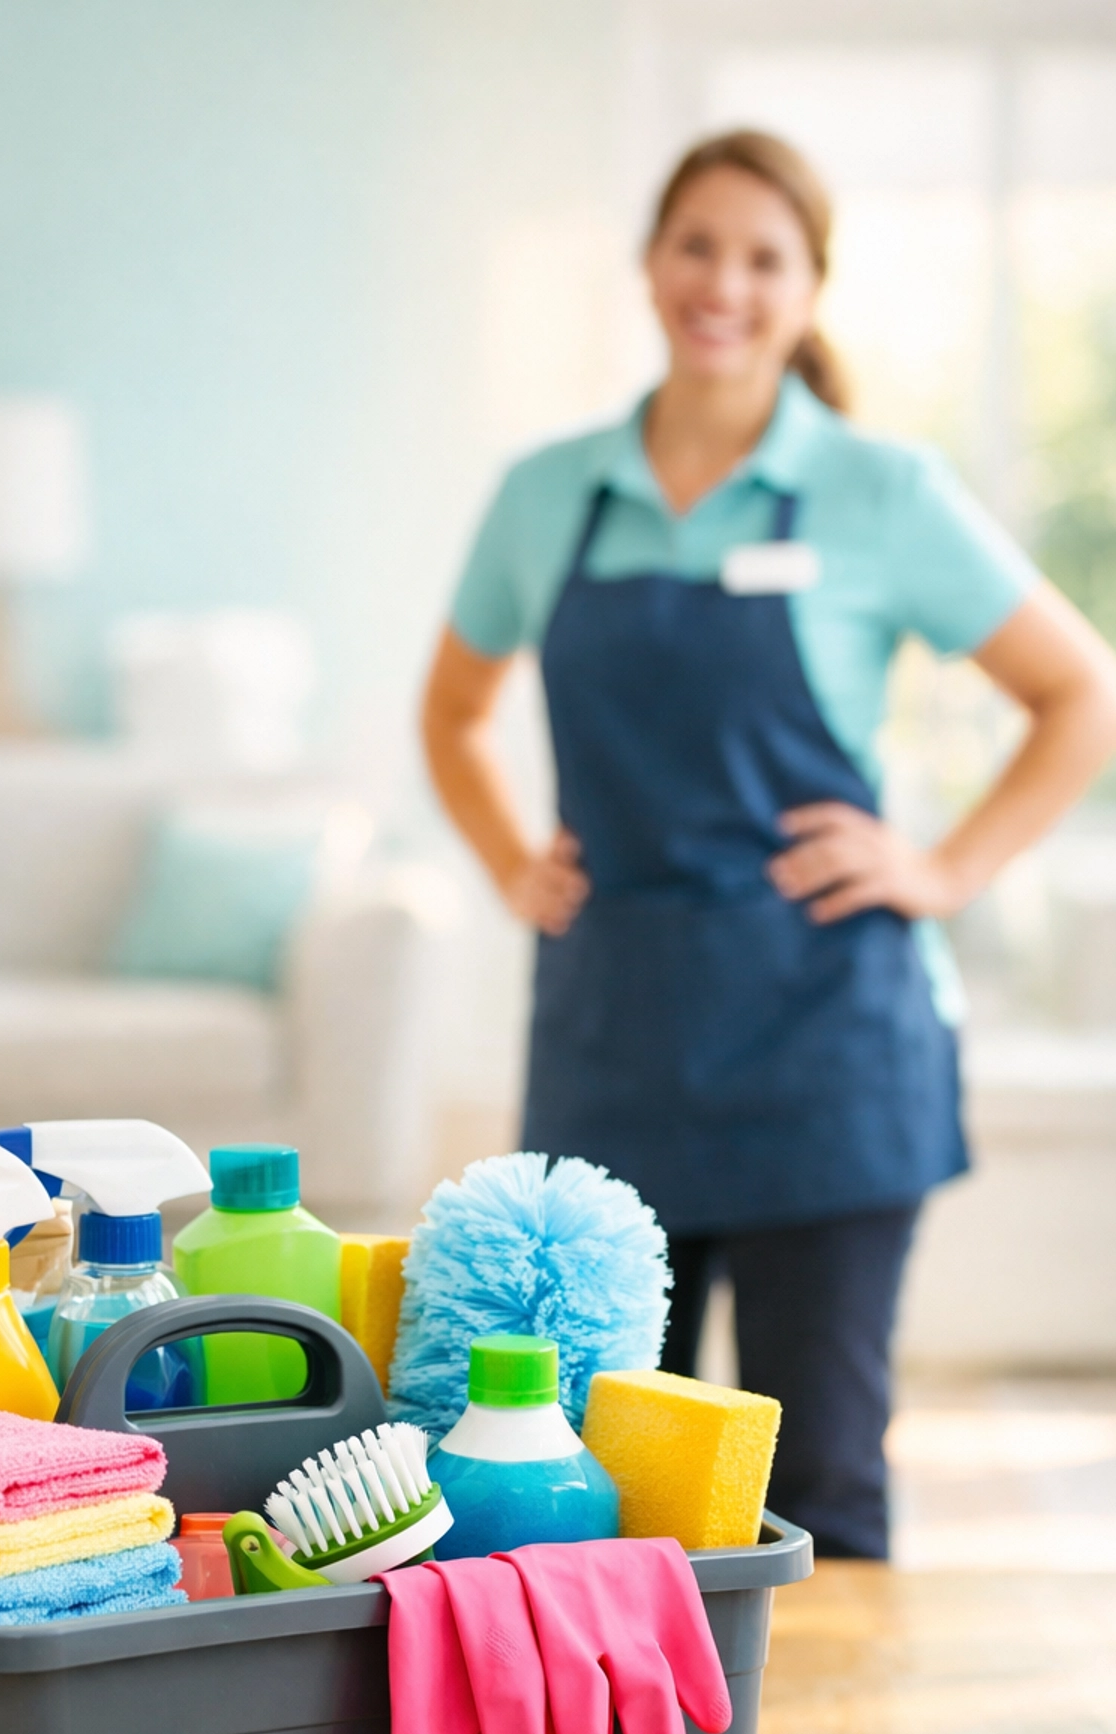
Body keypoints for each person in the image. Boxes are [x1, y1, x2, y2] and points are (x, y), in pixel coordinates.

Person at [423, 129, 1116, 1559]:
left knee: (821, 1493)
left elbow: (1078, 693)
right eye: (698, 246)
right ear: (651, 261)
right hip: (613, 1047)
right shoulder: (549, 493)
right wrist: (508, 859)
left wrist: (941, 870)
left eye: (763, 258)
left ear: (810, 292)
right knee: (587, 1474)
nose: (722, 285)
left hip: (826, 1058)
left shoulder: (884, 493)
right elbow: (452, 710)